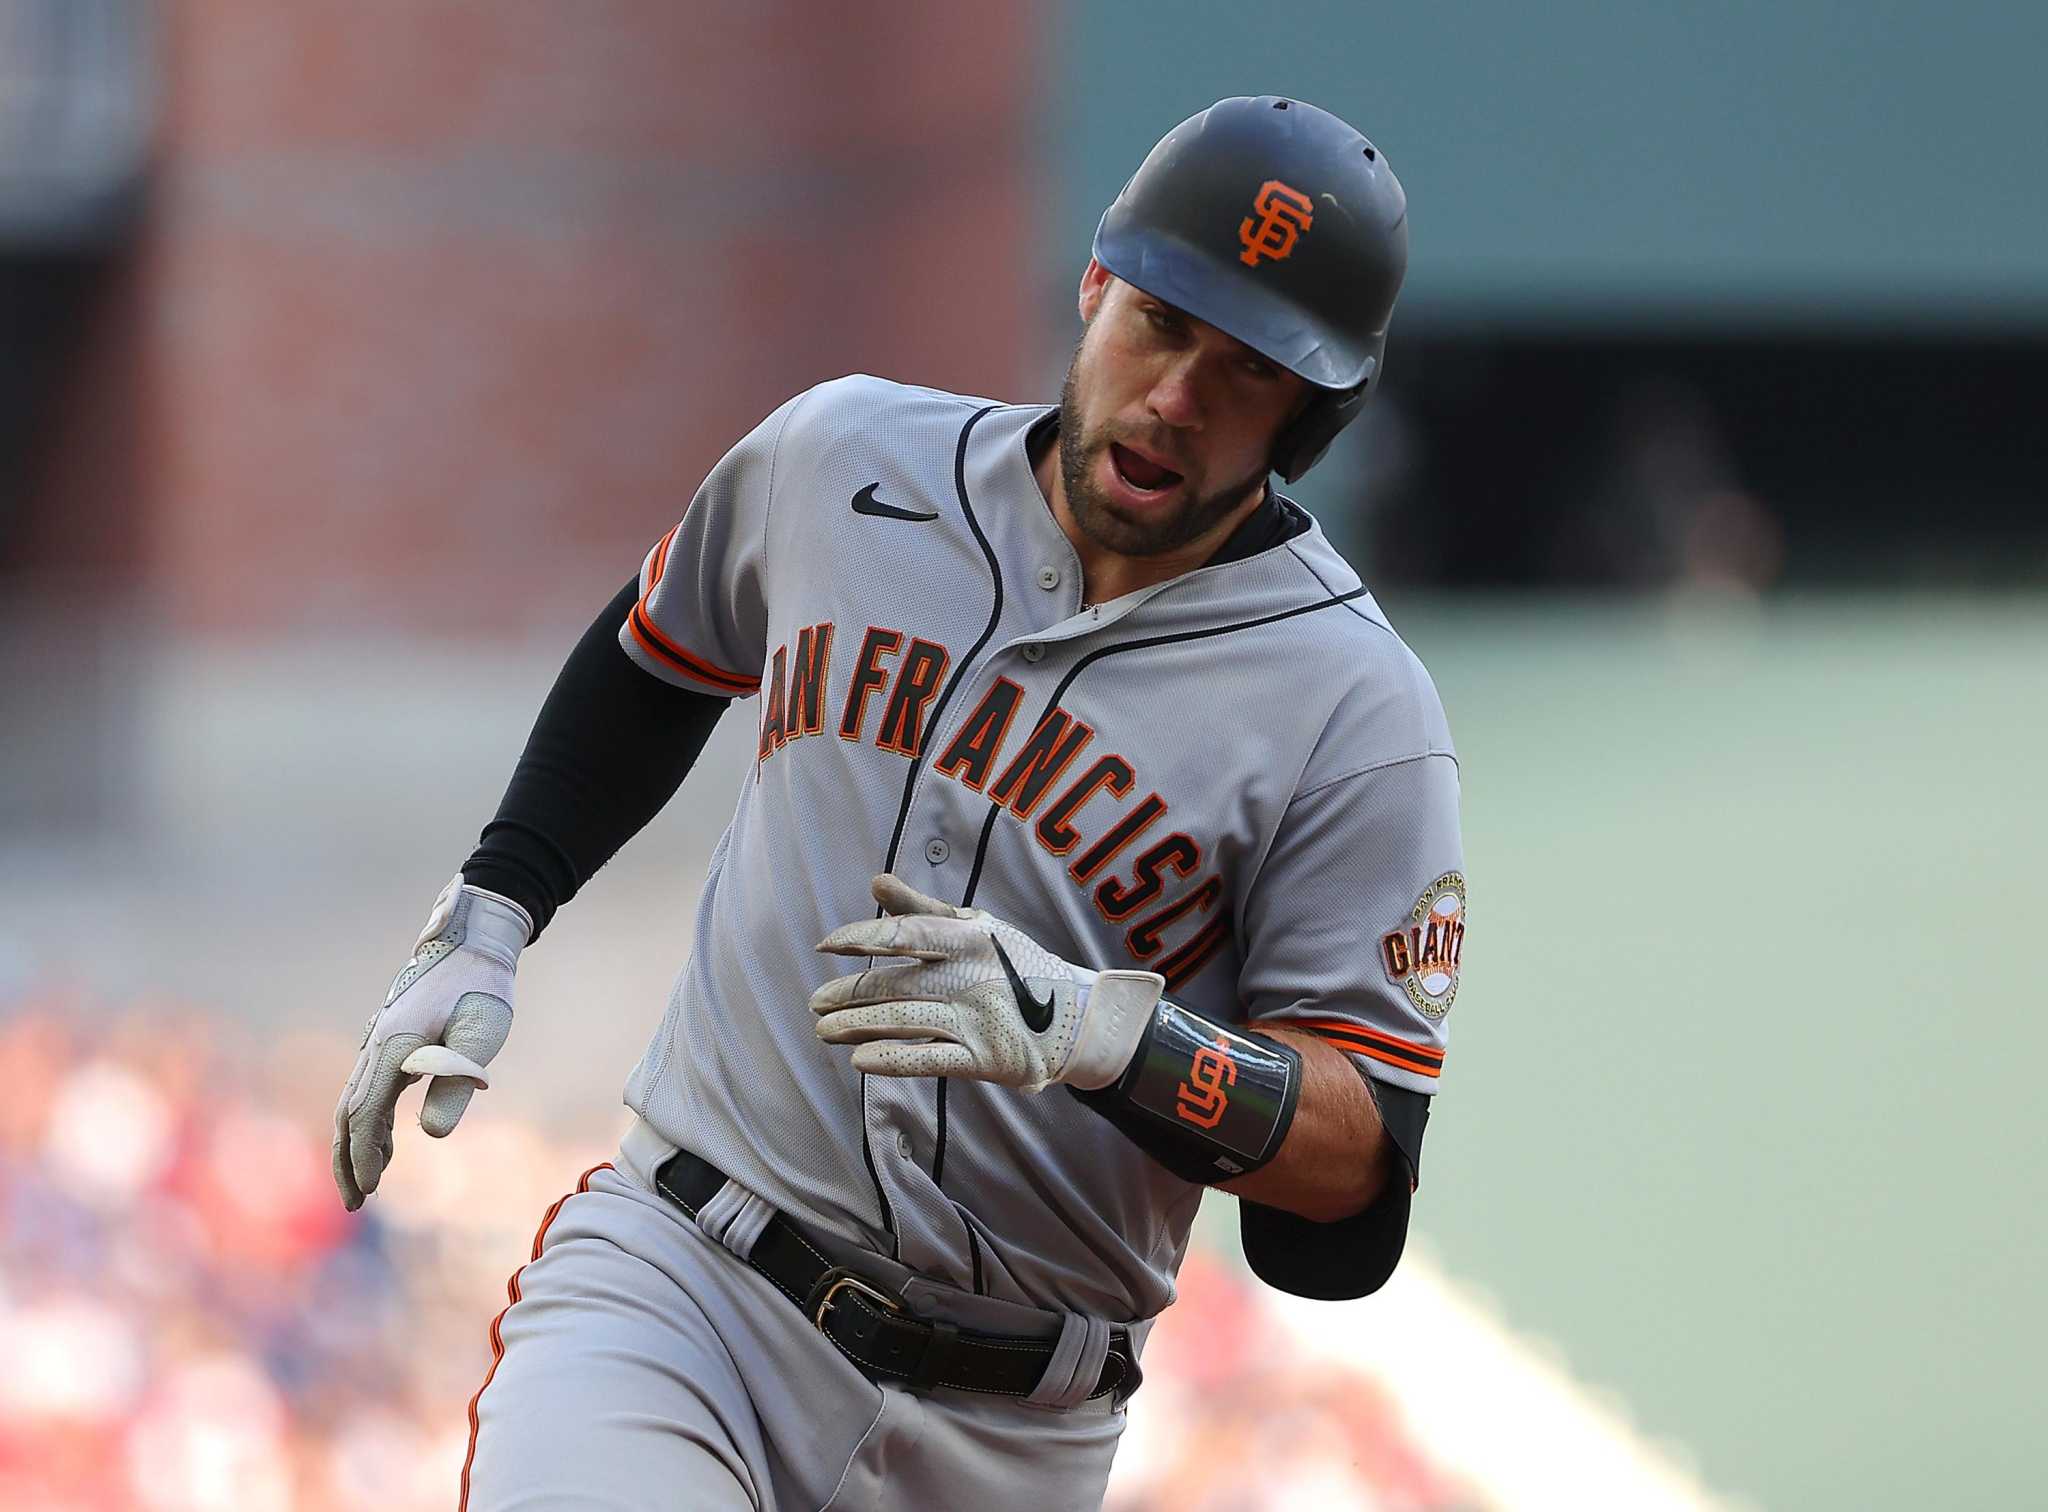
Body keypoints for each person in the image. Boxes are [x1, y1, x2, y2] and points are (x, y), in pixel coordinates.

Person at [332, 95, 1466, 1511]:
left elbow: (1354, 1180)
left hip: (1017, 1431)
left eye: (1245, 371)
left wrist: (1114, 1039)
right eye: (1163, 323)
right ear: (1096, 284)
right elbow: (655, 654)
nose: (1179, 393)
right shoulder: (844, 460)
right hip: (690, 1293)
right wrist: (492, 911)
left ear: (1311, 415)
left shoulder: (1357, 712)